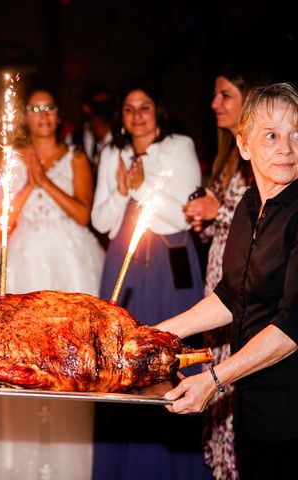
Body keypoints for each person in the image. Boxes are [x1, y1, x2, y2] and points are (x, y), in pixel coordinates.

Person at [158, 82, 298, 480]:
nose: (286, 148)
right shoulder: (248, 205)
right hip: (253, 406)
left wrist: (215, 380)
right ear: (244, 145)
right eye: (271, 135)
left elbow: (293, 325)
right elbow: (230, 295)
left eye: (297, 134)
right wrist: (158, 334)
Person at [0, 88, 104, 479]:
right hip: (25, 258)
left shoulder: (76, 156)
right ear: (26, 116)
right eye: (35, 108)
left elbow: (82, 214)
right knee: (18, 357)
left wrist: (46, 179)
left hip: (69, 261)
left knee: (71, 359)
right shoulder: (13, 159)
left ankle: (69, 459)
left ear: (58, 115)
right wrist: (29, 181)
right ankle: (19, 458)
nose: (42, 115)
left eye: (49, 107)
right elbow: (4, 221)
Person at [90, 79, 211, 479]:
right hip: (125, 263)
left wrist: (141, 191)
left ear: (157, 110)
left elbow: (183, 215)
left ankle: (179, 464)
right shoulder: (113, 152)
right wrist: (125, 192)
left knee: (170, 356)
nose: (137, 115)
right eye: (129, 108)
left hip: (171, 260)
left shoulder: (180, 146)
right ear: (121, 117)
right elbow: (102, 221)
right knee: (120, 361)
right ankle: (124, 465)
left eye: (144, 106)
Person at [181, 61, 270, 479]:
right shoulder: (225, 157)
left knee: (234, 376)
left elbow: (263, 222)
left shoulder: (266, 160)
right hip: (221, 284)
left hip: (250, 289)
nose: (214, 103)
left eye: (225, 96)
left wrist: (220, 211)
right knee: (216, 369)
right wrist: (206, 222)